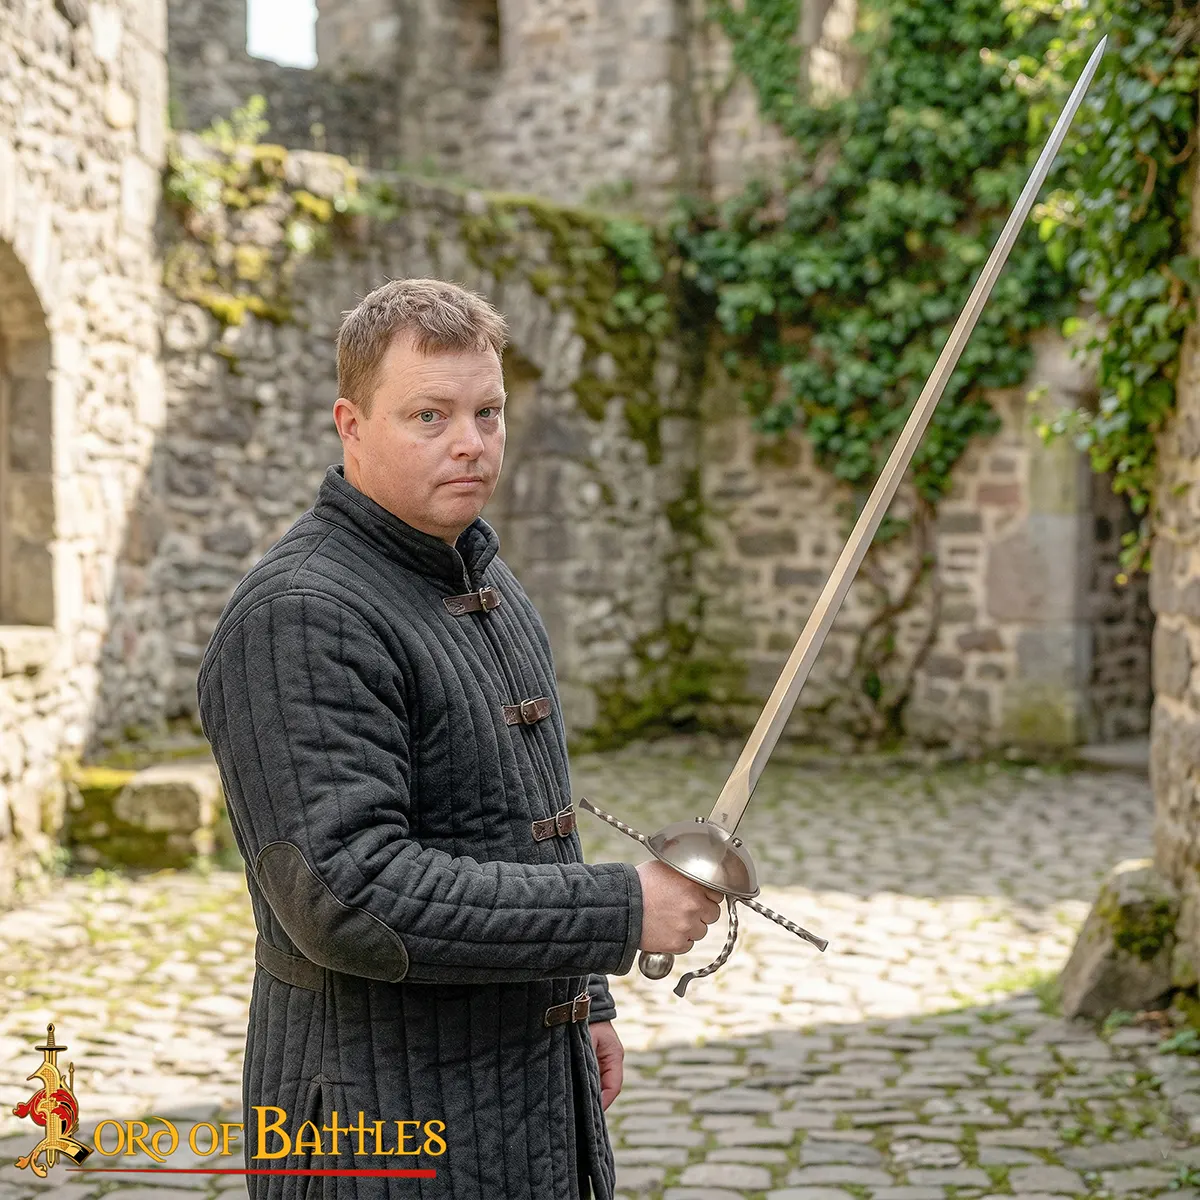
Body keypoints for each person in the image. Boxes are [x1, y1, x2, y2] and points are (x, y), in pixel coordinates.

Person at [196, 277, 723, 1200]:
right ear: (351, 425)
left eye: (489, 412)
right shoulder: (301, 616)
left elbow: (525, 820)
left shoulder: (480, 573)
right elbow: (348, 892)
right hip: (376, 1119)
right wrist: (620, 911)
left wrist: (587, 997)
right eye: (429, 416)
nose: (471, 442)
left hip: (525, 1078)